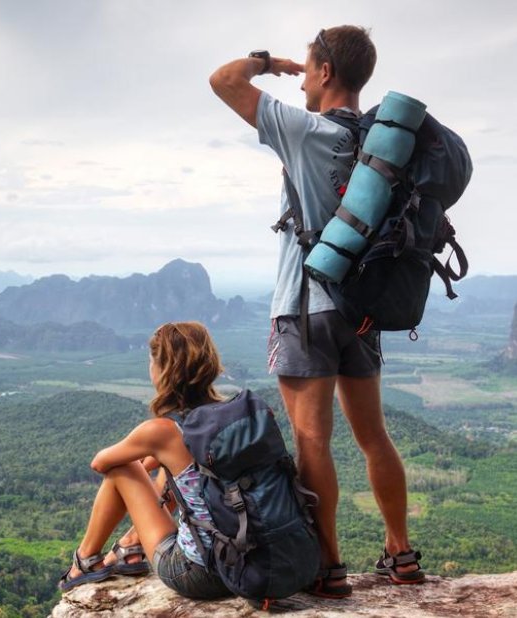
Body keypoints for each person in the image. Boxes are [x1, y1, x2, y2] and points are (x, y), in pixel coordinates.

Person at [208, 26, 425, 598]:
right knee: (374, 437)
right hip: (363, 308)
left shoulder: (304, 130)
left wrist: (267, 61)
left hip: (305, 307)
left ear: (326, 73)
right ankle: (401, 553)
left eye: (307, 69)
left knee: (312, 442)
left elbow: (222, 80)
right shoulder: (383, 143)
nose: (300, 79)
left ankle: (329, 567)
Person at [58, 322, 232, 599]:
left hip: (202, 575)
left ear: (163, 369)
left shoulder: (162, 431)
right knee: (174, 468)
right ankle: (130, 543)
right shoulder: (229, 415)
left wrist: (147, 461)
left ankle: (85, 559)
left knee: (123, 466)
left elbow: (101, 463)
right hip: (250, 563)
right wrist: (159, 459)